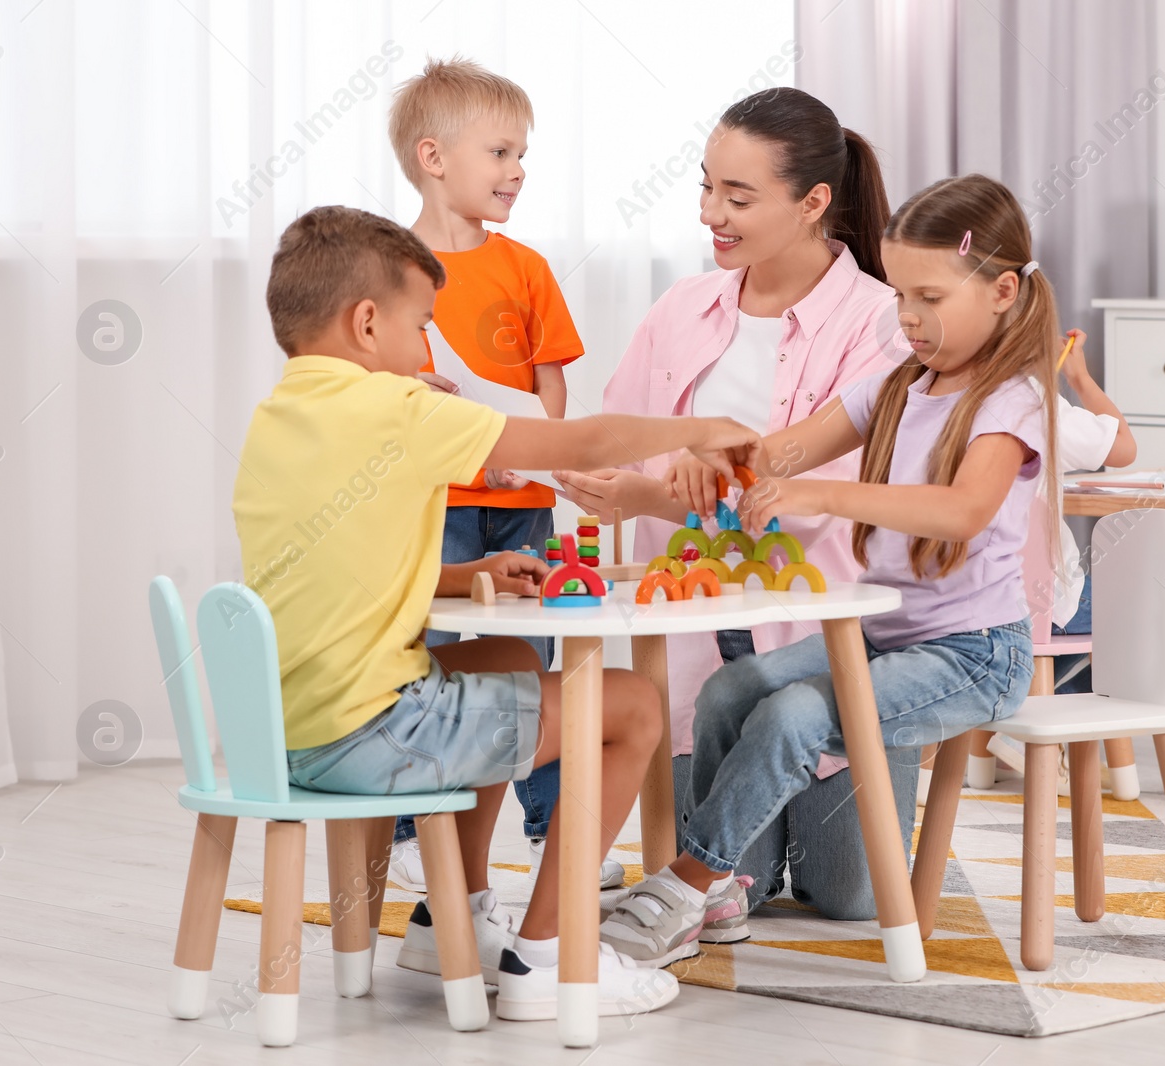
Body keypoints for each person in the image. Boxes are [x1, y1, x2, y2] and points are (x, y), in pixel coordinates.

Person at [236, 205, 759, 1018]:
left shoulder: (276, 419)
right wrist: (705, 428)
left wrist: (462, 574)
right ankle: (552, 959)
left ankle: (451, 916)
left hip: (290, 734)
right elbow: (580, 443)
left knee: (510, 657)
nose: (427, 352)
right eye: (422, 328)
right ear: (367, 324)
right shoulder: (393, 407)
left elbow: (333, 571)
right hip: (373, 737)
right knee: (632, 707)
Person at [595, 173, 1061, 965]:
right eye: (901, 298)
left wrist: (819, 492)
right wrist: (721, 458)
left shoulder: (1008, 400)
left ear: (1003, 291)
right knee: (730, 689)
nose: (907, 318)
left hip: (974, 654)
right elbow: (789, 447)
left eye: (930, 298)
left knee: (793, 718)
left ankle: (683, 881)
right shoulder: (900, 382)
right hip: (879, 637)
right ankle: (723, 883)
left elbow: (960, 511)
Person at [551, 86, 914, 921]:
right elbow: (620, 434)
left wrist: (664, 486)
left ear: (814, 202)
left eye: (739, 196)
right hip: (696, 645)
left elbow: (839, 502)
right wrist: (600, 480)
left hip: (820, 638)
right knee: (725, 891)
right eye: (707, 187)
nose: (713, 213)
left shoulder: (880, 324)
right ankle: (719, 859)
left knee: (850, 896)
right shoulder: (684, 310)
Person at [381, 57, 626, 912]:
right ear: (433, 156)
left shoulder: (525, 268)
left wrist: (529, 450)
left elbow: (548, 381)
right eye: (499, 151)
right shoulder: (387, 273)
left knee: (530, 666)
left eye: (523, 153)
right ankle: (420, 837)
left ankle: (551, 830)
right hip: (436, 506)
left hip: (523, 503)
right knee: (441, 663)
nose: (517, 169)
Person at [979, 328, 1137, 788]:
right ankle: (1034, 723)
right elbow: (1124, 448)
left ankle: (1011, 728)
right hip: (1042, 605)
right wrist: (1081, 379)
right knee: (1129, 615)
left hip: (972, 606)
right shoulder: (1037, 405)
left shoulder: (931, 392)